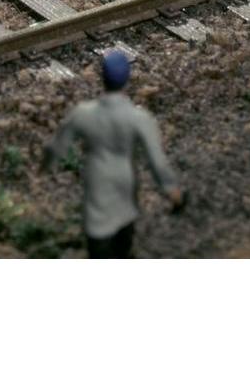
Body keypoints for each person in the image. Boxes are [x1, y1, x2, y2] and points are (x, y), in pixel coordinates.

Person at [40, 48, 184, 258]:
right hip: (125, 180)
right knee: (124, 236)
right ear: (127, 79)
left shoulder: (83, 113)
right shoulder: (139, 118)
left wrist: (46, 166)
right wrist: (171, 189)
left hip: (97, 179)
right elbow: (156, 161)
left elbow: (57, 147)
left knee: (98, 239)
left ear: (103, 78)